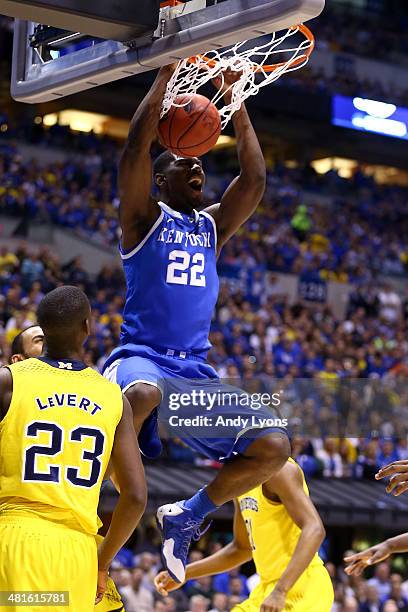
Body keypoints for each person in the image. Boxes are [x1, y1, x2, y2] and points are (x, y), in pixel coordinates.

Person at [102, 63, 289, 582]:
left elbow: (254, 179)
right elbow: (133, 149)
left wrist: (237, 102)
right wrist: (163, 78)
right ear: (160, 180)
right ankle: (104, 486)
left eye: (200, 164)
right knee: (139, 393)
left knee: (273, 445)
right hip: (140, 356)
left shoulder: (211, 228)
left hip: (191, 375)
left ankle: (188, 514)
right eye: (184, 163)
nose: (197, 167)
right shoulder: (143, 219)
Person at [0, 286, 147, 611]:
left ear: (43, 327)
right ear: (87, 327)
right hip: (79, 553)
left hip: (16, 540)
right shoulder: (112, 397)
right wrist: (102, 562)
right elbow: (136, 496)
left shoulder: (10, 381)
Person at [154, 458, 334, 611]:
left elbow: (315, 529)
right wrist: (185, 573)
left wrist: (280, 591)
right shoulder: (241, 481)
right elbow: (241, 549)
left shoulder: (281, 469)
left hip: (301, 587)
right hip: (267, 588)